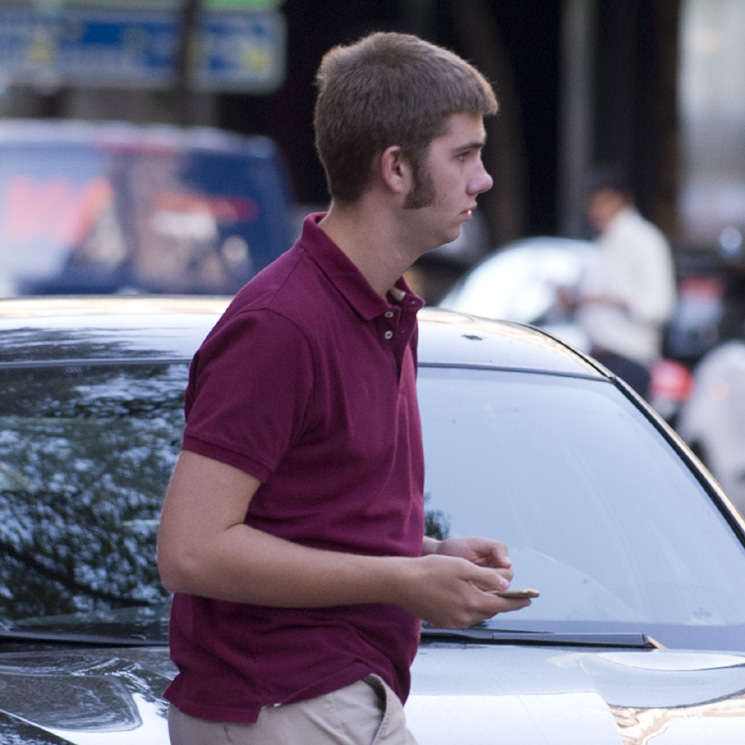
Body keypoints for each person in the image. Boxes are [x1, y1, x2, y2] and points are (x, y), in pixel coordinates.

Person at [157, 31, 531, 745]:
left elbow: (305, 513)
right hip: (280, 703)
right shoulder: (280, 325)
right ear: (394, 168)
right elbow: (191, 549)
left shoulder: (382, 305)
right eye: (463, 156)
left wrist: (420, 554)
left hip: (334, 694)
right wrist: (401, 578)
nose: (481, 179)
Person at [573, 163, 677, 397]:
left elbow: (659, 307)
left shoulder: (644, 239)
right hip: (596, 358)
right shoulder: (602, 243)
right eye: (593, 203)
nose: (597, 210)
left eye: (604, 202)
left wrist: (607, 300)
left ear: (624, 201)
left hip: (628, 361)